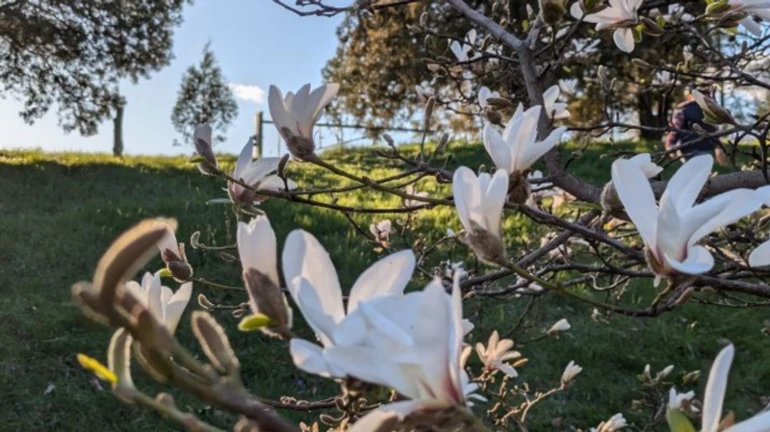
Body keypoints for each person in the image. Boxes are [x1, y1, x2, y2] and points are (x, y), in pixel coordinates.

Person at [663, 86, 728, 165]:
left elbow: (674, 129)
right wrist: (719, 147)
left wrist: (669, 146)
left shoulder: (683, 109)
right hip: (703, 148)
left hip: (688, 147)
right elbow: (716, 131)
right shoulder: (711, 110)